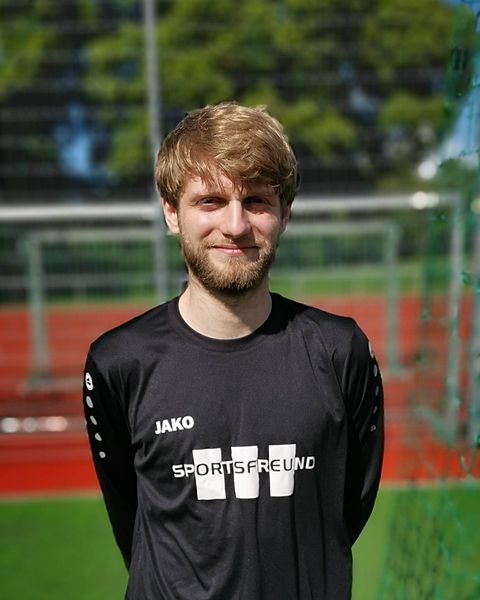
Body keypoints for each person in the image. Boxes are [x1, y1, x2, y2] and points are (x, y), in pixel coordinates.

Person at [83, 102, 384, 600]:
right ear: (171, 212)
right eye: (211, 201)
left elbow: (347, 507)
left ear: (285, 213)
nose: (236, 225)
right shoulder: (118, 363)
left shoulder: (340, 351)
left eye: (257, 201)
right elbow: (131, 513)